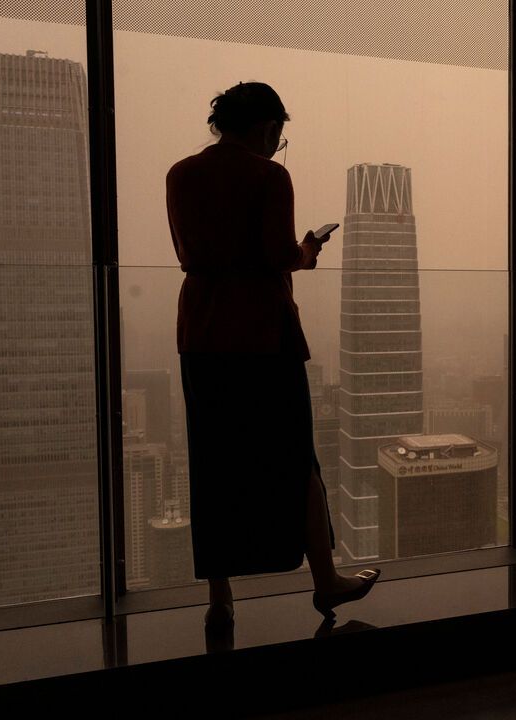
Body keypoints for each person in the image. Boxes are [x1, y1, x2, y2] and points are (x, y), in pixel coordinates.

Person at [166, 81, 378, 626]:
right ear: (267, 128)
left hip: (202, 335)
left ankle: (220, 598)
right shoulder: (268, 176)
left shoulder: (180, 175)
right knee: (295, 457)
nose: (276, 146)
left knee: (213, 463)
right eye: (277, 137)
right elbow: (278, 255)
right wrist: (307, 250)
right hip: (263, 338)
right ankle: (325, 580)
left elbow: (188, 252)